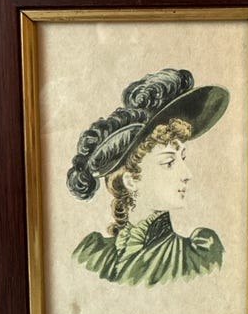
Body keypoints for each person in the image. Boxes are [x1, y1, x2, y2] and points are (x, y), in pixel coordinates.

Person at [67, 68, 229, 286]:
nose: (187, 174)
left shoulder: (198, 257)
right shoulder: (92, 256)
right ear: (131, 181)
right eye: (169, 162)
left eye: (182, 158)